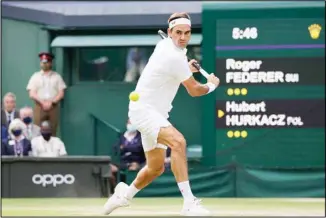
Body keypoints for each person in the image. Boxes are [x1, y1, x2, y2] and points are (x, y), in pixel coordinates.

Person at [103, 12, 220, 216]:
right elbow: (194, 90)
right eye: (178, 32)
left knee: (155, 168)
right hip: (144, 111)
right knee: (178, 142)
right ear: (169, 32)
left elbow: (173, 70)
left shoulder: (169, 48)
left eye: (187, 33)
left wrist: (186, 68)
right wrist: (211, 85)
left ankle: (123, 196)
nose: (183, 37)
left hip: (156, 113)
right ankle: (189, 203)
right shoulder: (173, 55)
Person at [26, 52, 67, 136]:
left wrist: (51, 103)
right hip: (39, 106)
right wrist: (43, 102)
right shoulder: (35, 76)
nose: (44, 64)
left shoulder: (57, 76)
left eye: (46, 62)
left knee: (53, 131)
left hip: (53, 107)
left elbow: (61, 93)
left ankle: (52, 148)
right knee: (37, 130)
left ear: (50, 63)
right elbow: (32, 93)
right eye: (42, 62)